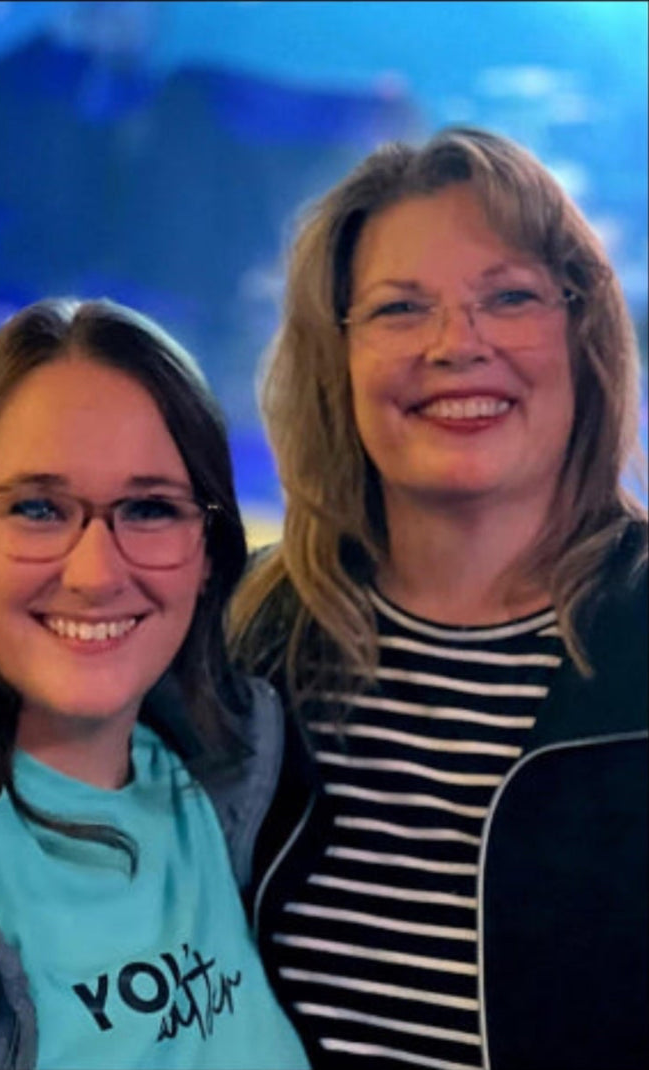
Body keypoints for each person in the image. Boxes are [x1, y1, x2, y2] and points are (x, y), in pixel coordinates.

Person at [229, 127, 648, 1070]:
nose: (457, 344)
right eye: (400, 308)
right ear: (335, 358)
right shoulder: (246, 639)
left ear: (583, 333)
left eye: (509, 297)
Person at [0, 298, 310, 1070]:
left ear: (208, 552)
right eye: (37, 508)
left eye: (150, 509)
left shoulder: (237, 773)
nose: (95, 574)